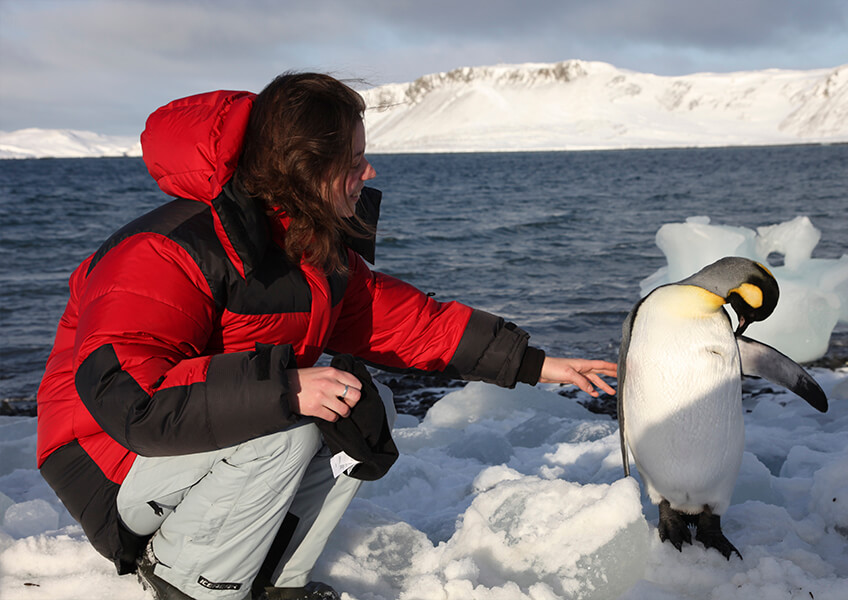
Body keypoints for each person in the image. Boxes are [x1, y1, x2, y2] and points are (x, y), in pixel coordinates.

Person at [36, 72, 617, 600]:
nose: (370, 173)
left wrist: (538, 365)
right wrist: (284, 389)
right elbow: (132, 394)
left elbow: (411, 323)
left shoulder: (308, 247)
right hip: (105, 462)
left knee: (356, 405)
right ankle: (187, 582)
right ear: (304, 168)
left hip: (178, 450)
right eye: (356, 160)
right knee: (286, 425)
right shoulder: (165, 250)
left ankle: (275, 582)